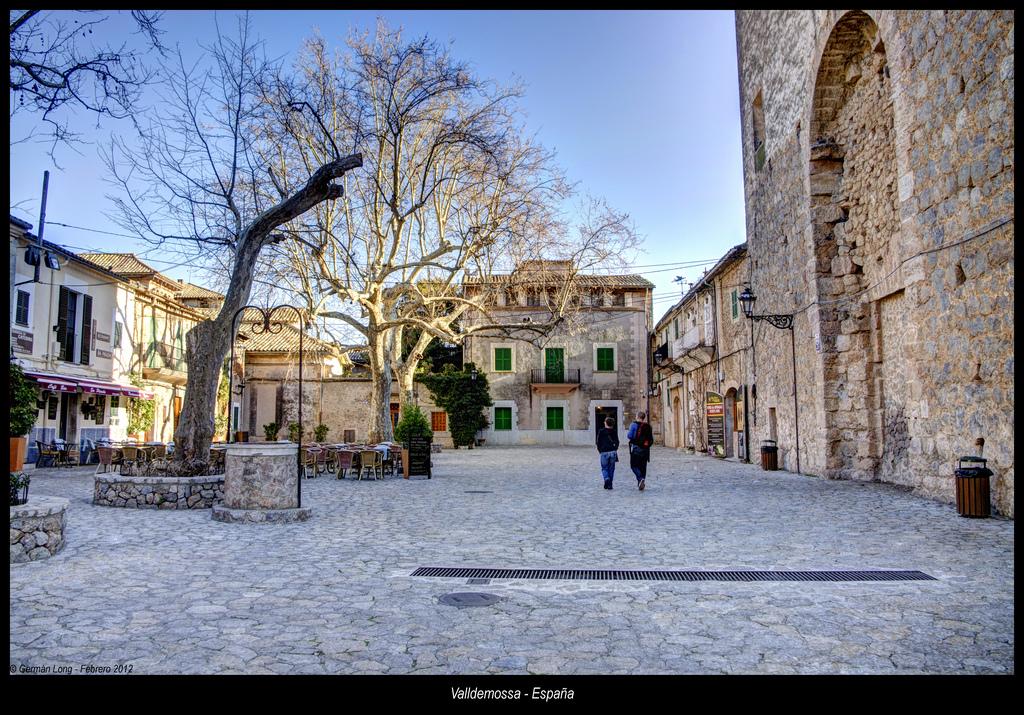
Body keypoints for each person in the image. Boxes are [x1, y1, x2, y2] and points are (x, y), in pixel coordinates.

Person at [627, 411, 654, 491]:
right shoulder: (648, 426)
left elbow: (629, 436)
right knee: (643, 467)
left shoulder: (633, 425)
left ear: (637, 416)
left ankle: (640, 478)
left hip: (636, 449)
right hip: (645, 450)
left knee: (634, 466)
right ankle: (641, 482)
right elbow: (651, 439)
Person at [595, 417, 619, 490]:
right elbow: (617, 442)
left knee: (604, 468)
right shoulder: (614, 431)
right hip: (612, 452)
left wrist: (600, 450)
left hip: (604, 452)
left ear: (606, 423)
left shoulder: (601, 431)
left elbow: (598, 442)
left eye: (604, 421)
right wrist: (615, 449)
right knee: (611, 469)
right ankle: (610, 484)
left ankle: (606, 478)